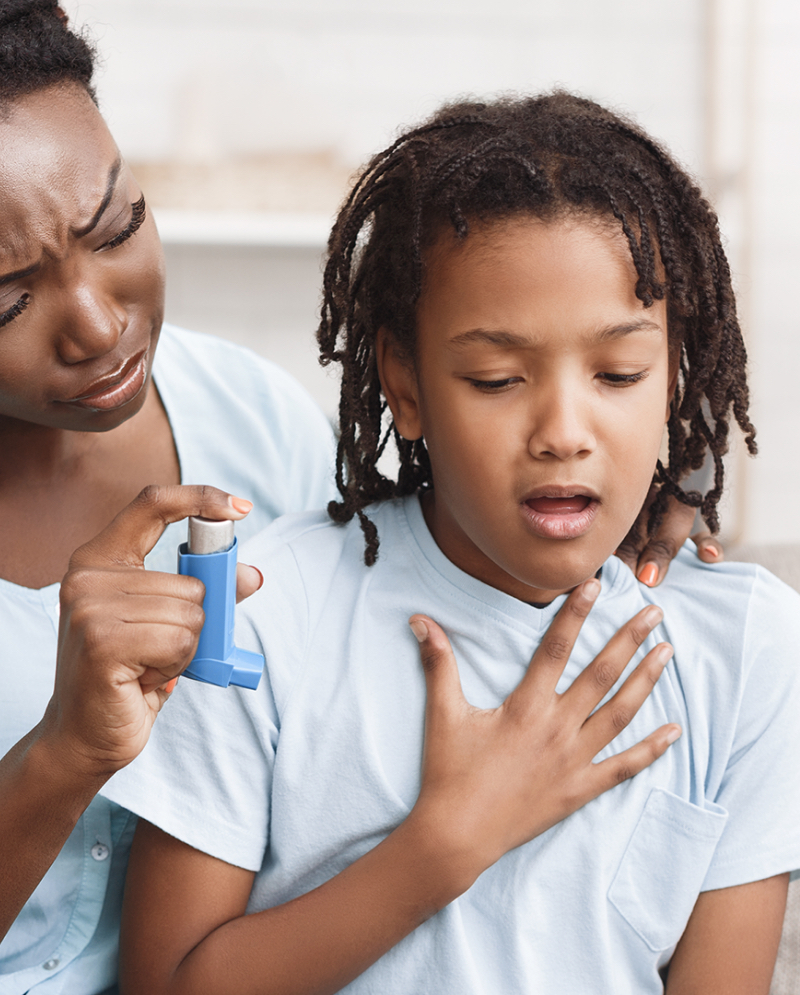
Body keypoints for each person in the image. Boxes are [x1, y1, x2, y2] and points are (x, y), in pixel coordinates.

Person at [0, 4, 727, 992]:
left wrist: (595, 499)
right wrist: (62, 753)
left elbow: (411, 555)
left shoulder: (248, 418)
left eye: (119, 224)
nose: (95, 321)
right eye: (7, 296)